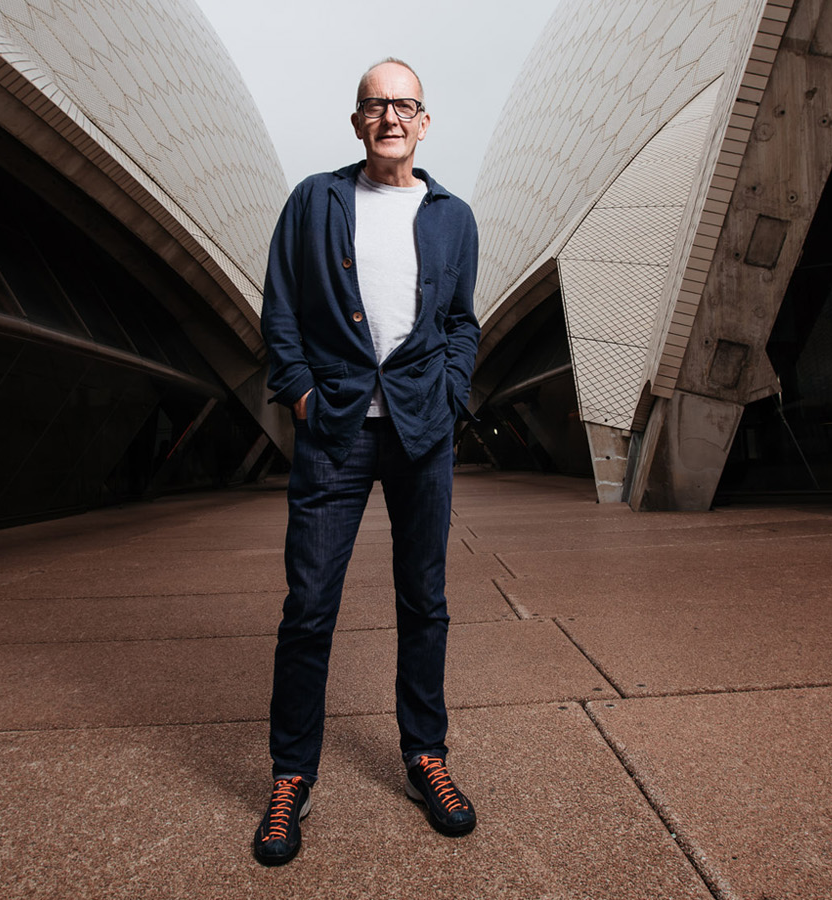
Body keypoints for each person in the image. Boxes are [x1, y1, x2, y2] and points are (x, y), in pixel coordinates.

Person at [252, 57, 481, 866]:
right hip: (337, 430)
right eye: (375, 104)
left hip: (422, 430)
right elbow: (281, 306)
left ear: (424, 121)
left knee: (426, 600)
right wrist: (304, 395)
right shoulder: (315, 200)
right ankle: (289, 775)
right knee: (309, 607)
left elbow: (461, 320)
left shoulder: (453, 215)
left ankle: (427, 757)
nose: (390, 116)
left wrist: (452, 392)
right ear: (357, 123)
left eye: (404, 104)